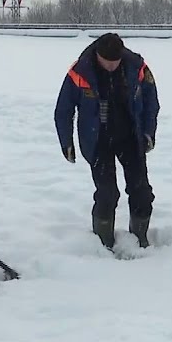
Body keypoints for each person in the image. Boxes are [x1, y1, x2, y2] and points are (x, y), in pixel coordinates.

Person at [54, 32, 160, 251]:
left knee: (142, 192)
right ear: (98, 56)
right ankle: (103, 242)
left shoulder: (137, 67)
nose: (111, 67)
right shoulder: (80, 71)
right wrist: (67, 142)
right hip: (97, 139)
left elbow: (151, 101)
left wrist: (148, 133)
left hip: (130, 136)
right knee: (107, 193)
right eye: (107, 63)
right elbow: (63, 110)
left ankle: (140, 236)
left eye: (116, 62)